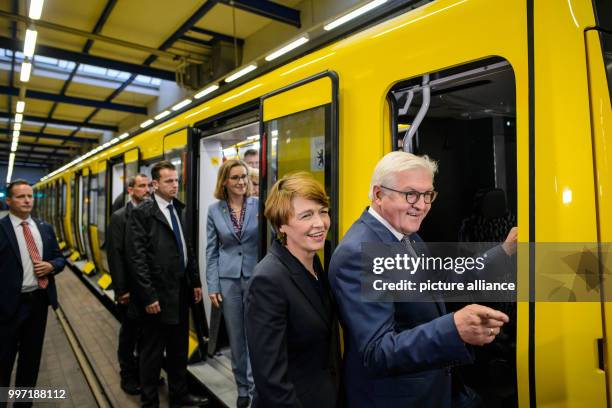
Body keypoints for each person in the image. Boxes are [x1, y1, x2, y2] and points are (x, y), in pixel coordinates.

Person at [328, 151, 516, 407]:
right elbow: (378, 352)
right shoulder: (359, 254)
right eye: (411, 194)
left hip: (436, 388)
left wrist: (504, 252)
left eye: (428, 194)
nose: (422, 205)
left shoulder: (407, 236)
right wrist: (454, 328)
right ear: (379, 194)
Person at [245, 172, 340, 407]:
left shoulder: (316, 262)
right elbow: (271, 379)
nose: (320, 223)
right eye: (306, 215)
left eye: (323, 211)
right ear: (281, 225)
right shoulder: (268, 280)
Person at [127, 161, 208, 408]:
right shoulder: (143, 214)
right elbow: (136, 259)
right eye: (169, 181)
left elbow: (187, 247)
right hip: (158, 296)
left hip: (180, 291)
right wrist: (149, 296)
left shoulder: (178, 209)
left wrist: (194, 280)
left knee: (178, 348)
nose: (175, 185)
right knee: (152, 351)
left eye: (176, 180)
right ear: (154, 185)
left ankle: (179, 395)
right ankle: (149, 400)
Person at [0, 180, 66, 406]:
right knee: (3, 362)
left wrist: (52, 266)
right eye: (21, 197)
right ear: (8, 201)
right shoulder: (1, 229)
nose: (28, 200)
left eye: (30, 196)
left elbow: (59, 257)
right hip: (7, 307)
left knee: (30, 362)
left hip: (38, 303)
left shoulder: (44, 227)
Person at [206, 159, 257, 408]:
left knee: (255, 334)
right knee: (237, 338)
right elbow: (211, 251)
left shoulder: (260, 205)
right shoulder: (215, 211)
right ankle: (243, 389)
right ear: (225, 181)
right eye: (235, 177)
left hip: (257, 278)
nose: (241, 182)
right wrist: (213, 285)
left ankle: (256, 385)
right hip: (228, 281)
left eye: (244, 177)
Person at [108, 174, 150, 395]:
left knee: (147, 336)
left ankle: (145, 375)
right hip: (130, 291)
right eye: (141, 186)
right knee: (129, 335)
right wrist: (121, 290)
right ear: (131, 190)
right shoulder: (120, 217)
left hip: (147, 288)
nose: (146, 190)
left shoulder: (151, 213)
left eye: (148, 185)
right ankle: (128, 376)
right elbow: (116, 255)